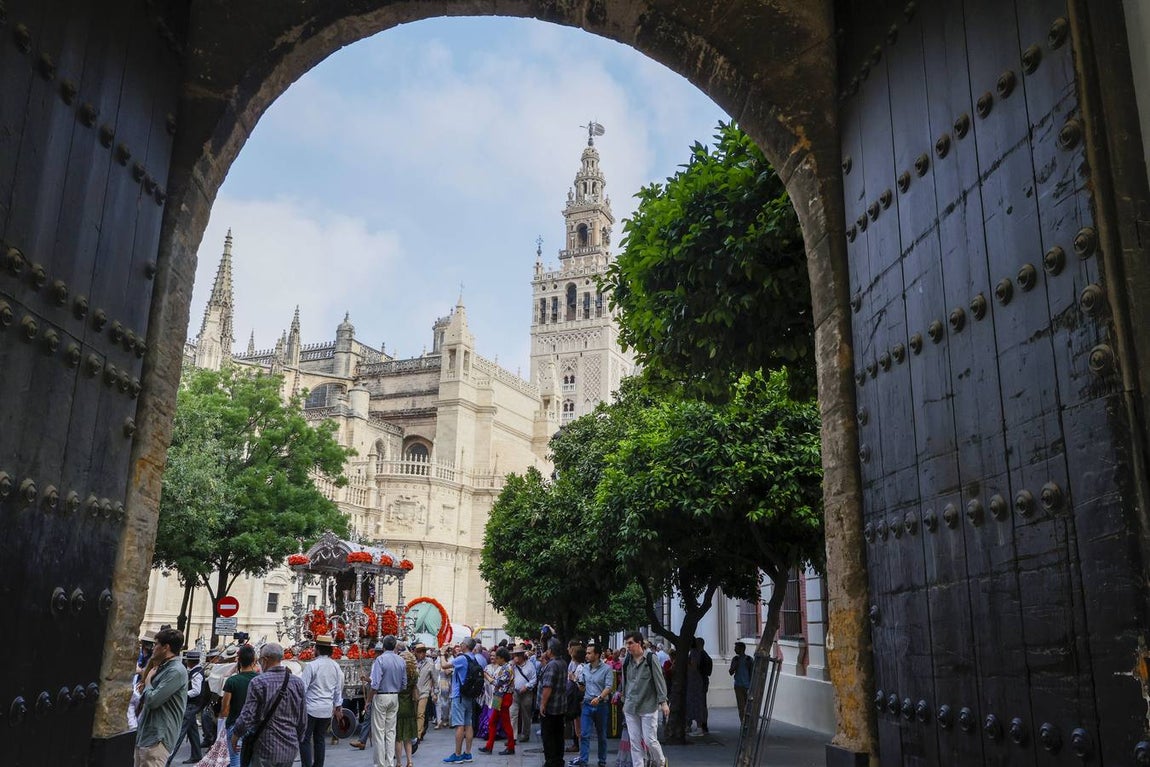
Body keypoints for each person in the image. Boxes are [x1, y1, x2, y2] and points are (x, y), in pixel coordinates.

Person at [231, 642, 307, 767]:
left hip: (265, 747)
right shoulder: (297, 683)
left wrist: (236, 734)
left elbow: (248, 715)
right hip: (289, 748)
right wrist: (298, 739)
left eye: (260, 659)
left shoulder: (258, 682)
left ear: (265, 660)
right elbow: (302, 718)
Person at [135, 628, 189, 767]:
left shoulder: (175, 671)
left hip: (158, 738)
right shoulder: (163, 667)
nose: (153, 647)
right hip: (147, 735)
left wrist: (147, 682)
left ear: (166, 647)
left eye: (156, 644)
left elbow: (153, 701)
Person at [620, 632, 668, 767]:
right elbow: (625, 682)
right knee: (634, 741)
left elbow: (659, 681)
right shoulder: (627, 661)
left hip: (648, 705)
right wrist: (624, 701)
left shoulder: (651, 658)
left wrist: (663, 702)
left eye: (630, 643)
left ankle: (661, 762)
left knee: (649, 740)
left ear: (639, 643)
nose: (627, 646)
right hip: (631, 706)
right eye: (626, 643)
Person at [300, 635, 345, 767]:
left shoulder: (312, 666)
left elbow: (302, 688)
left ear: (317, 649)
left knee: (305, 740)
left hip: (311, 708)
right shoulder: (335, 666)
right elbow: (338, 689)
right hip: (326, 709)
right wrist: (338, 706)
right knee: (320, 739)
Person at [369, 635, 408, 767]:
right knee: (391, 731)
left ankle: (380, 764)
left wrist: (368, 700)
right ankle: (390, 762)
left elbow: (374, 684)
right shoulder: (401, 660)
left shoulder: (380, 660)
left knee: (379, 732)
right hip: (394, 696)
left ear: (384, 646)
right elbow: (404, 684)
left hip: (381, 696)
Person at [441, 636, 479, 763]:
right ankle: (467, 753)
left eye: (462, 643)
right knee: (468, 724)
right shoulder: (474, 658)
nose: (460, 644)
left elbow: (444, 665)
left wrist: (442, 653)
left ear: (466, 646)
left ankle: (457, 755)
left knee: (459, 726)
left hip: (459, 695)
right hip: (469, 695)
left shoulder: (462, 658)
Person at [573, 644, 613, 767]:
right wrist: (578, 683)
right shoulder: (585, 668)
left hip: (601, 705)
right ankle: (583, 760)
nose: (587, 655)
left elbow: (609, 687)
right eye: (587, 653)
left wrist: (600, 697)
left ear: (597, 655)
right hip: (587, 703)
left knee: (601, 735)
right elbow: (582, 686)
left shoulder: (606, 669)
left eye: (589, 653)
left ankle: (602, 761)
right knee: (584, 734)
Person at [220, 644, 260, 767]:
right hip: (255, 726)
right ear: (254, 661)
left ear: (238, 660)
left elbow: (225, 709)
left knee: (235, 760)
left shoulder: (232, 681)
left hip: (234, 724)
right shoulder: (260, 680)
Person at [166, 650, 207, 766]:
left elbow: (196, 691)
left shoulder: (196, 673)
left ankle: (167, 760)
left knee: (179, 732)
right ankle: (197, 755)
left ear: (190, 661)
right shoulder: (195, 671)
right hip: (192, 705)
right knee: (192, 730)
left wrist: (182, 693)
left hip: (191, 705)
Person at [478, 647, 516, 756]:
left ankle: (510, 747)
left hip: (503, 698)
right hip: (498, 697)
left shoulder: (507, 668)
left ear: (502, 658)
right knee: (493, 722)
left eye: (497, 658)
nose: (495, 660)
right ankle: (489, 746)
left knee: (506, 723)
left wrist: (487, 677)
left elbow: (497, 682)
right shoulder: (504, 667)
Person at [538, 638, 568, 767]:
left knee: (548, 735)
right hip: (560, 706)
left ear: (550, 650)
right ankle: (558, 759)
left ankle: (551, 761)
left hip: (551, 707)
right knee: (558, 735)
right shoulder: (562, 662)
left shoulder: (552, 665)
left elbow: (548, 687)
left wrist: (543, 704)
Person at [395, 648, 420, 767]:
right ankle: (410, 761)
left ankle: (399, 762)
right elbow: (415, 690)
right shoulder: (414, 674)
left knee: (398, 737)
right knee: (408, 737)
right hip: (410, 705)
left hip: (399, 704)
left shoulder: (399, 673)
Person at [508, 644, 536, 745]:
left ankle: (525, 734)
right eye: (514, 655)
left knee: (526, 715)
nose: (515, 657)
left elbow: (534, 679)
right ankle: (513, 736)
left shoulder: (530, 665)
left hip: (526, 693)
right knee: (513, 714)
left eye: (517, 655)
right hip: (514, 692)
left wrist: (527, 686)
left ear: (521, 655)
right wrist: (511, 667)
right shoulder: (512, 665)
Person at [686, 637, 712, 735]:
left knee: (697, 704)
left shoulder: (694, 653)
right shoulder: (701, 653)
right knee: (699, 704)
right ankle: (699, 726)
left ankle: (700, 727)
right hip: (698, 682)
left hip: (695, 682)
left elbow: (694, 667)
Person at [415, 643, 437, 741]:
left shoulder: (430, 663)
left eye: (423, 651)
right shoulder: (412, 662)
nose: (421, 654)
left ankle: (418, 735)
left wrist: (435, 693)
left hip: (424, 691)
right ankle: (415, 732)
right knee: (414, 713)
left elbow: (435, 679)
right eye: (419, 652)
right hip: (414, 692)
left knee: (420, 714)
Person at [729, 642, 754, 724]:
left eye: (736, 648)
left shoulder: (749, 659)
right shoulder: (735, 659)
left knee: (749, 706)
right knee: (741, 707)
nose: (735, 649)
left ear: (742, 649)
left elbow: (752, 672)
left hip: (747, 685)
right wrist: (735, 666)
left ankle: (748, 723)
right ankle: (743, 723)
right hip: (738, 685)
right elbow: (731, 672)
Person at [435, 647, 453, 729]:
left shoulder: (452, 659)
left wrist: (443, 661)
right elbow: (435, 670)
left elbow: (448, 672)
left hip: (448, 683)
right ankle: (439, 721)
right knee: (438, 702)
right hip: (439, 682)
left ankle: (446, 719)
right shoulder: (438, 659)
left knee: (446, 703)